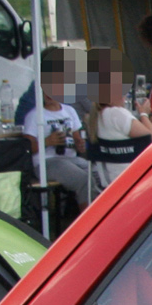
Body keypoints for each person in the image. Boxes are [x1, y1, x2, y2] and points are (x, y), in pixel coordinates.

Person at [21, 47, 93, 207]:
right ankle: (88, 222)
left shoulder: (69, 110)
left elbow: (77, 140)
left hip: (71, 158)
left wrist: (79, 144)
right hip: (48, 161)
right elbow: (25, 147)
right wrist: (47, 141)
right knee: (83, 180)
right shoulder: (35, 114)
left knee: (98, 175)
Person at [84, 49, 152, 193]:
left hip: (109, 186)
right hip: (134, 183)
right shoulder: (118, 114)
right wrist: (144, 114)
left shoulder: (95, 116)